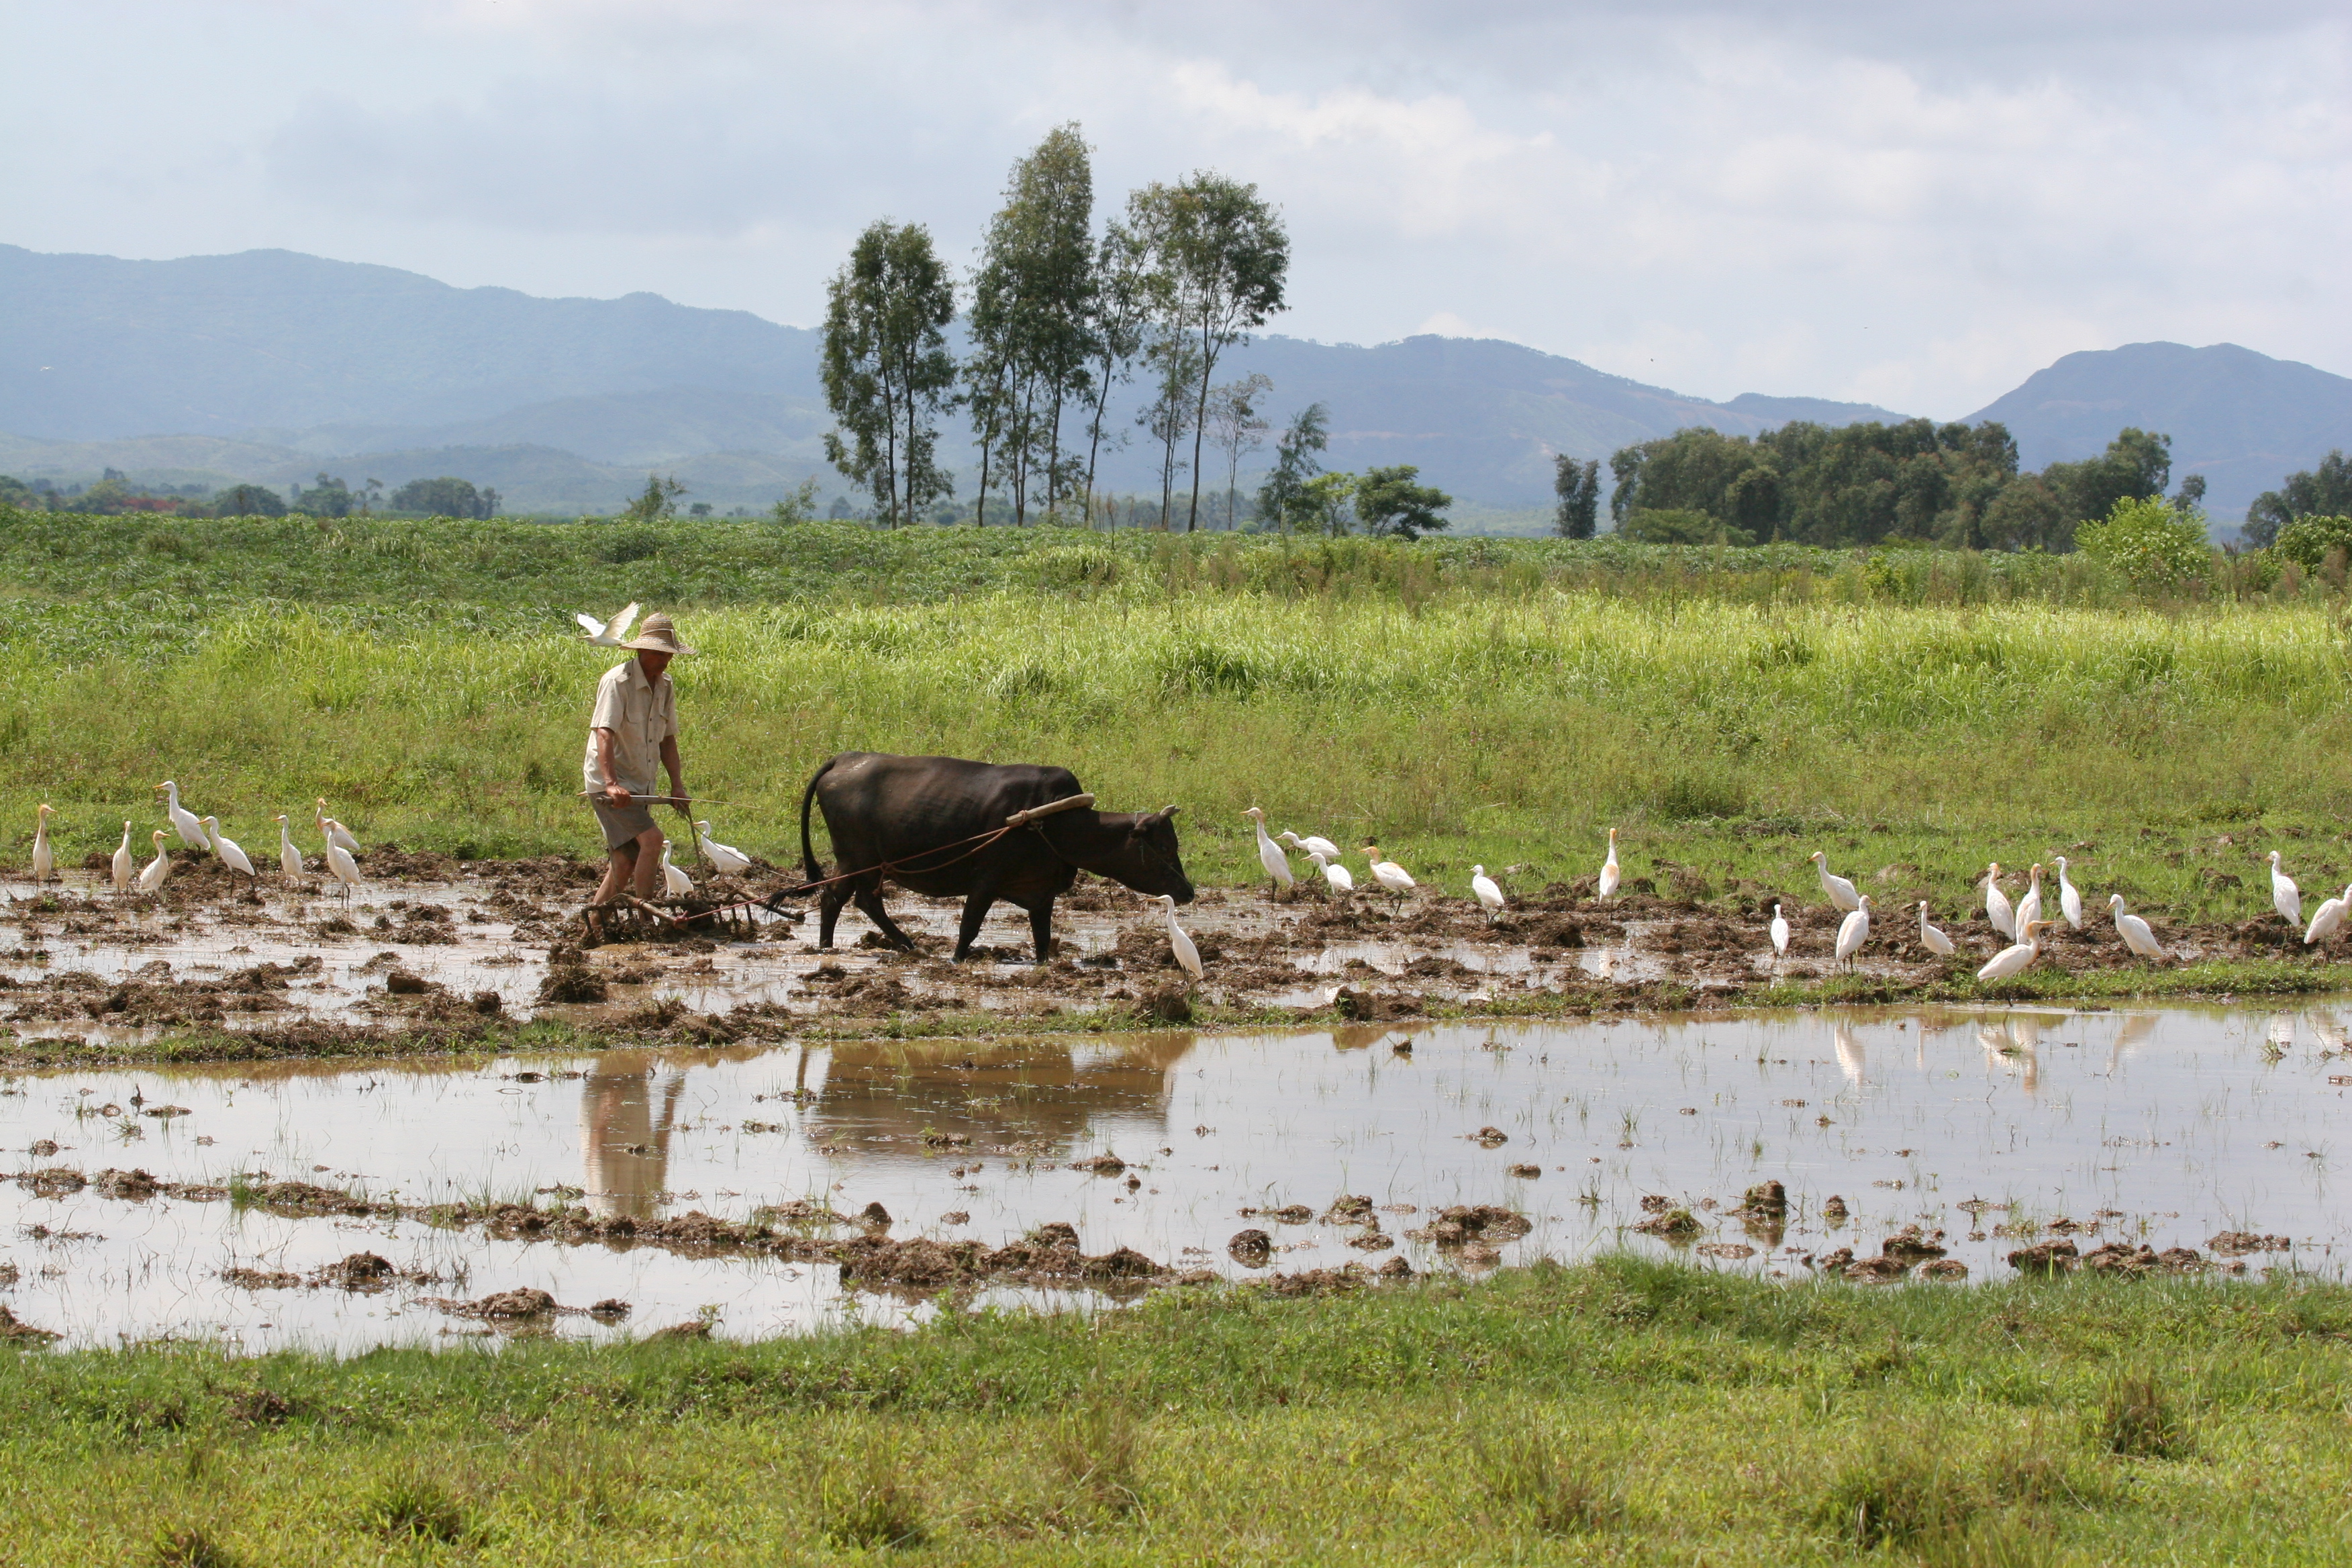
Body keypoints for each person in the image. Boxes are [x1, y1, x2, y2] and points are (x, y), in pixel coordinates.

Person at [583, 611, 695, 905]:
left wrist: (678, 786)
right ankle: (647, 912)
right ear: (643, 650)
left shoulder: (665, 685)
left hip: (641, 783)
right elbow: (604, 733)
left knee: (624, 861)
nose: (665, 661)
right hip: (612, 785)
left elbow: (667, 739)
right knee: (653, 840)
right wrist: (611, 784)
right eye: (660, 654)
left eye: (669, 655)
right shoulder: (617, 682)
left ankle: (593, 923)